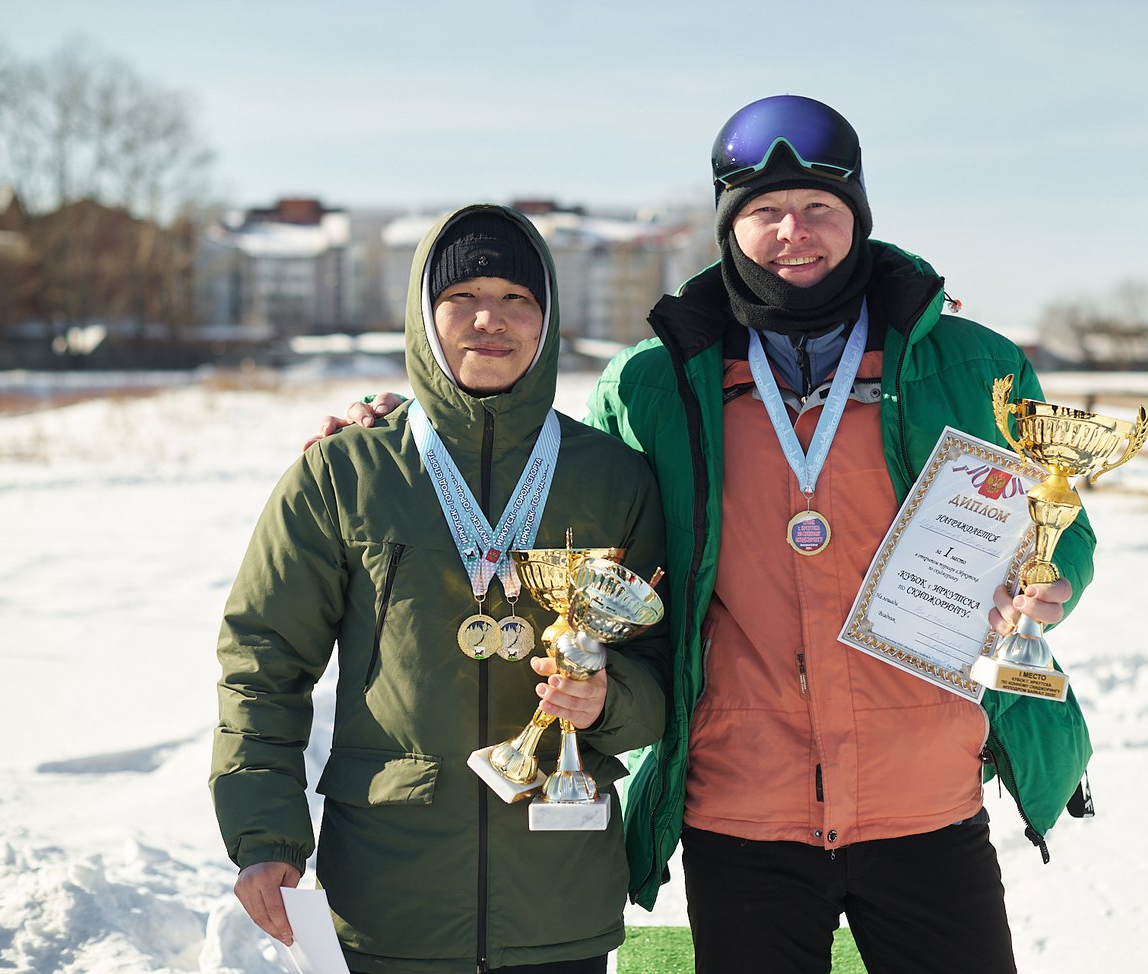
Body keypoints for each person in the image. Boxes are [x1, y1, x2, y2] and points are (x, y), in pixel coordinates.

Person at [327, 96, 1097, 974]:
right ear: (731, 228)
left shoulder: (968, 363)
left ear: (859, 218)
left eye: (818, 209)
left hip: (923, 792)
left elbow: (1060, 524)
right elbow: (569, 501)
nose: (791, 232)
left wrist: (1049, 584)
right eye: (764, 212)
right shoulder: (657, 381)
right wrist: (413, 432)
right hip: (742, 803)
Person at [211, 204, 670, 974]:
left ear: (547, 320)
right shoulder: (343, 473)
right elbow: (263, 662)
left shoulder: (612, 477)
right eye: (463, 297)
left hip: (558, 898)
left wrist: (609, 701)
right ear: (425, 315)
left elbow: (670, 663)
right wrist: (266, 838)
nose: (490, 319)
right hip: (390, 901)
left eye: (518, 299)